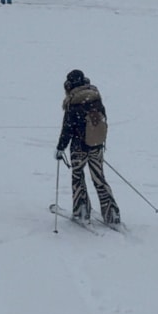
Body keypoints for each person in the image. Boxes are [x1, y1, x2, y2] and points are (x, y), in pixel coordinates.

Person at [55, 69, 120, 224]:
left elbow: (67, 129)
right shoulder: (96, 98)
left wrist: (60, 148)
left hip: (79, 148)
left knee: (78, 177)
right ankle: (111, 213)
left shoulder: (73, 102)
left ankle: (81, 211)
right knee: (99, 179)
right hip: (96, 145)